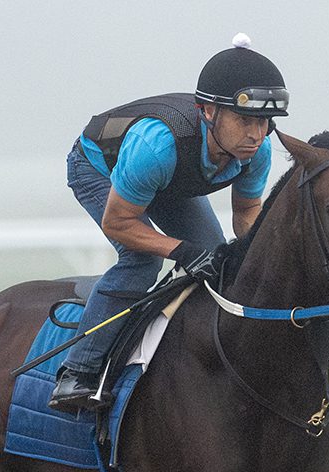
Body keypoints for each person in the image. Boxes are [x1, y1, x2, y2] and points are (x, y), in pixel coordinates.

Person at [48, 33, 290, 410]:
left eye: (265, 123)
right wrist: (180, 250)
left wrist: (264, 256)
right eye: (245, 120)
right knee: (143, 260)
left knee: (215, 258)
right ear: (208, 111)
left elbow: (246, 212)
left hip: (168, 177)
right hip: (98, 166)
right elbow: (119, 223)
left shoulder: (257, 150)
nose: (256, 135)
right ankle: (77, 372)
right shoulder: (156, 145)